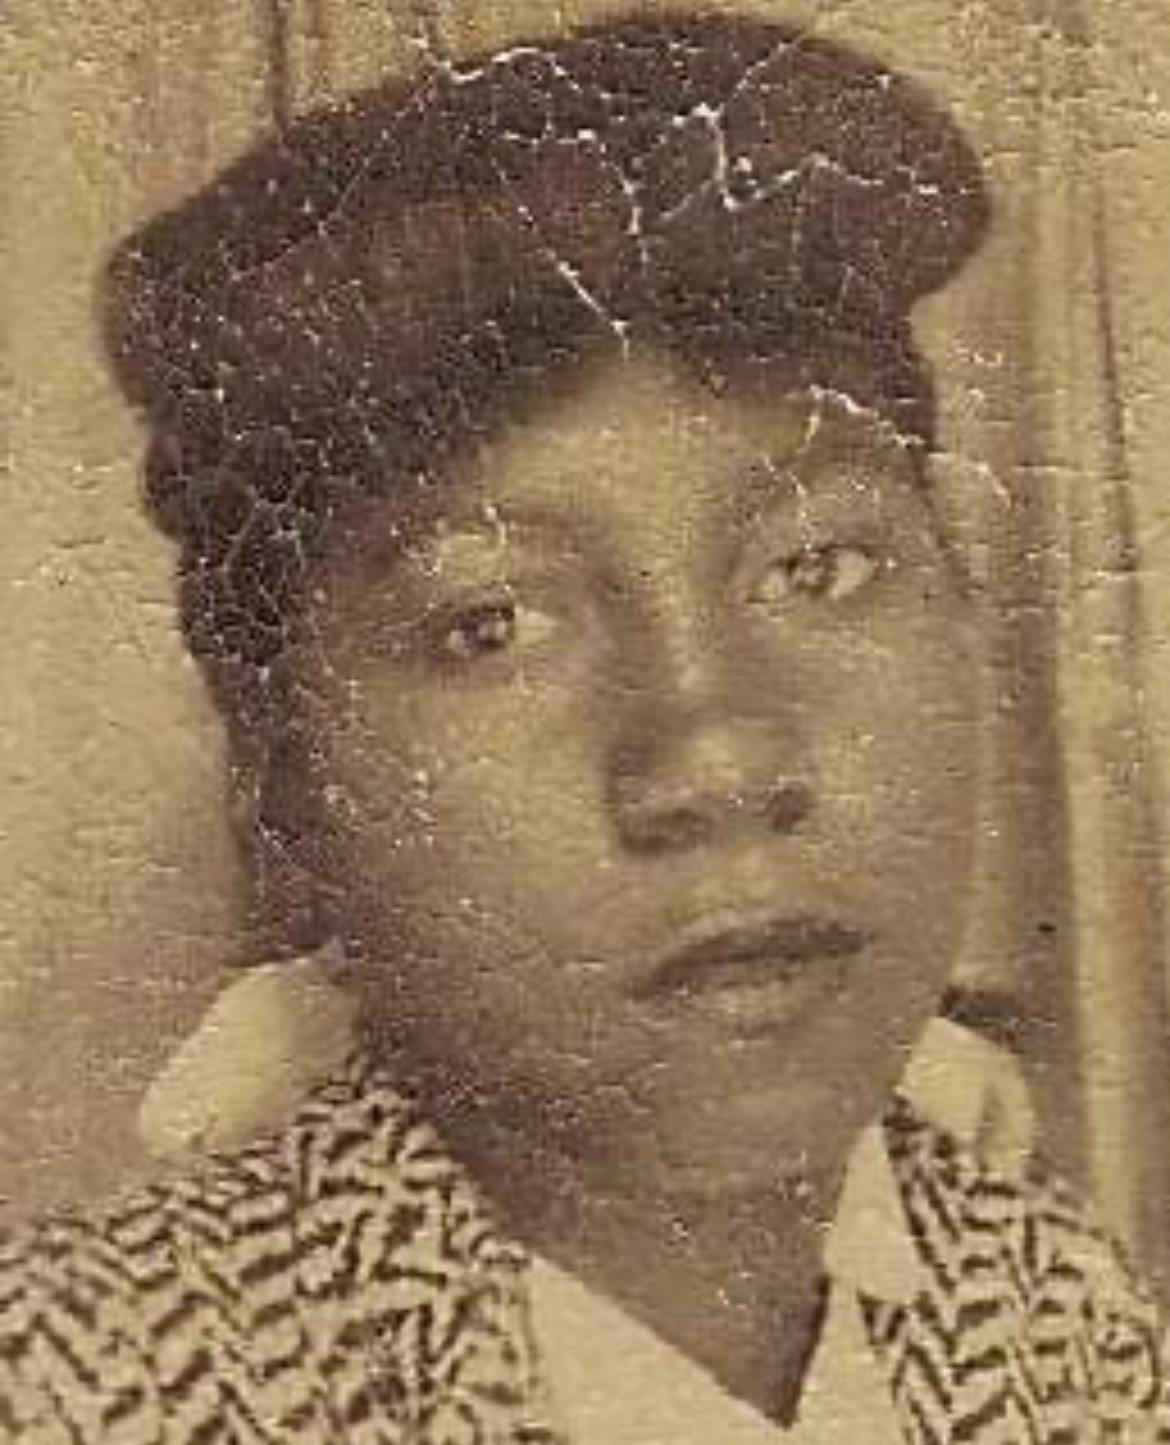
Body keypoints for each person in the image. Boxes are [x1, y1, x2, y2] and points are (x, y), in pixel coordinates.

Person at [1, 11, 1167, 1443]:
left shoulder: (1073, 1319)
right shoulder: (81, 1390)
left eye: (820, 566)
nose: (716, 760)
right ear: (283, 779)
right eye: (490, 622)